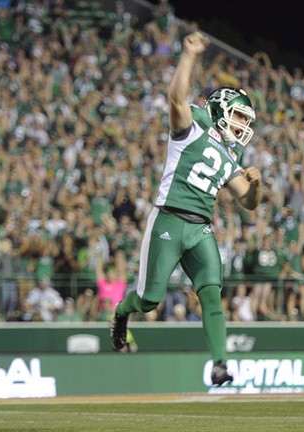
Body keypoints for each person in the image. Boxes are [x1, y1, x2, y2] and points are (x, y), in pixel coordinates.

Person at [110, 31, 263, 386]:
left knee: (212, 292)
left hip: (200, 228)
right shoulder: (193, 125)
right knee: (149, 300)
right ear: (221, 109)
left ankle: (220, 365)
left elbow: (248, 202)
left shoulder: (231, 154)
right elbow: (175, 96)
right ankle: (120, 311)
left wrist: (257, 185)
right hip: (169, 219)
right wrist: (189, 56)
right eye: (239, 117)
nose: (243, 126)